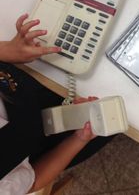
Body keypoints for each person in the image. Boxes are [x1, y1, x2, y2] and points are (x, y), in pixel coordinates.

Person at [0, 14, 113, 194]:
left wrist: (6, 50)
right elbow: (33, 181)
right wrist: (79, 138)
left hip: (16, 72)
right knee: (122, 110)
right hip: (44, 136)